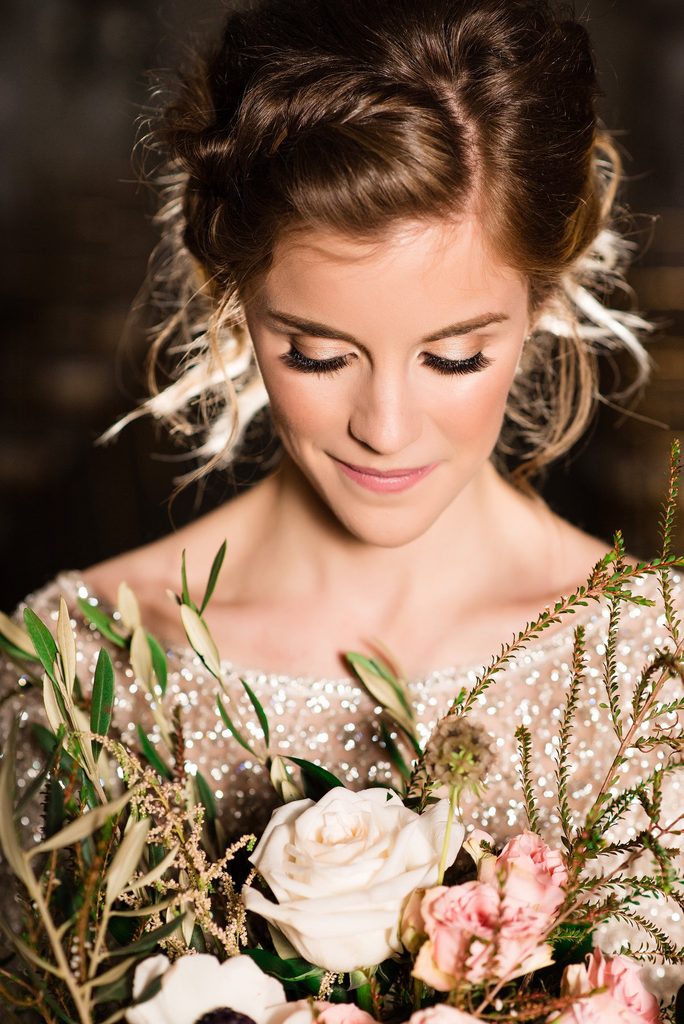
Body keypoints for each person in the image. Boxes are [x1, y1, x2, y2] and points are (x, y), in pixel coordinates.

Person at [1, 0, 681, 999]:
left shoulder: (662, 678)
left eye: (455, 355)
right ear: (230, 291)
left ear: (545, 296)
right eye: (316, 352)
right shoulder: (74, 669)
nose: (386, 425)